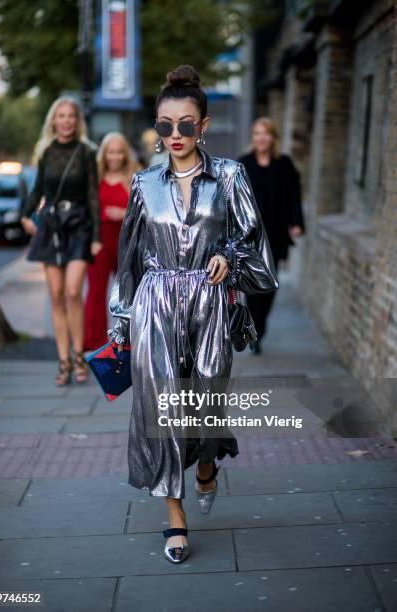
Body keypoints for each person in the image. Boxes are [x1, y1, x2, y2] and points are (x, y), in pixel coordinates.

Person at [108, 65, 279, 564]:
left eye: (186, 124)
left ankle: (206, 462)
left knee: (204, 399)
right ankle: (175, 517)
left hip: (209, 302)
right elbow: (130, 260)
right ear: (157, 128)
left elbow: (257, 250)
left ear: (203, 125)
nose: (175, 135)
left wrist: (230, 257)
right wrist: (122, 323)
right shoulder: (144, 184)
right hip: (156, 305)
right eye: (165, 125)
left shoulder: (229, 176)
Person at [20, 96, 102, 385]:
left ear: (77, 121)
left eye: (71, 116)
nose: (66, 120)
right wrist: (25, 214)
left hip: (79, 225)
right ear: (53, 120)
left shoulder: (86, 152)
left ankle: (80, 356)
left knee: (71, 293)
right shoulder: (45, 152)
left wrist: (96, 237)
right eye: (61, 116)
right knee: (55, 295)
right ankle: (64, 361)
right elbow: (38, 189)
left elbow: (93, 195)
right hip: (52, 227)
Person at [238, 117, 305, 354]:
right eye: (257, 133)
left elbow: (294, 195)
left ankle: (260, 326)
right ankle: (253, 330)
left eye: (266, 133)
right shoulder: (243, 164)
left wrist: (296, 222)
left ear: (273, 138)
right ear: (253, 137)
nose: (261, 138)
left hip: (275, 233)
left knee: (269, 285)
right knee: (251, 285)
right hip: (248, 235)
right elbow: (233, 198)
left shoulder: (284, 164)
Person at [84, 132, 137, 350]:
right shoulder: (94, 178)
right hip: (99, 242)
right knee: (95, 293)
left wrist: (123, 213)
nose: (114, 157)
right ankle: (93, 346)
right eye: (110, 152)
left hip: (126, 243)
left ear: (125, 155)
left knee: (128, 296)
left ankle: (128, 344)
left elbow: (146, 214)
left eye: (119, 152)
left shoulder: (134, 178)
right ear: (104, 155)